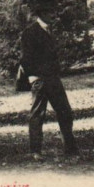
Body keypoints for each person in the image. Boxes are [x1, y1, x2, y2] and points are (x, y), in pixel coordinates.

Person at [20, 12, 78, 160]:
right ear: (41, 14)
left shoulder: (50, 30)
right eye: (50, 12)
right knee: (37, 115)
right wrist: (32, 77)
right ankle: (35, 151)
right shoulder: (30, 32)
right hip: (39, 80)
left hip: (53, 79)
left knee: (65, 112)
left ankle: (71, 150)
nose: (53, 15)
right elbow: (26, 57)